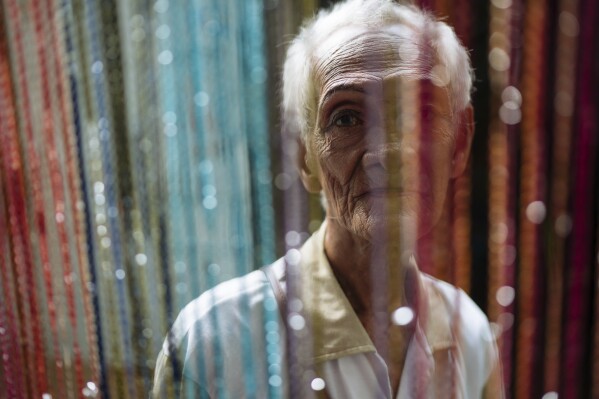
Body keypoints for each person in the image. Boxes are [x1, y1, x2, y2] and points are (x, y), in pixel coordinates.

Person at [152, 0, 504, 397]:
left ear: (459, 144)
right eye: (347, 118)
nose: (389, 152)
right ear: (304, 156)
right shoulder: (214, 344)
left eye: (421, 114)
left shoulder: (469, 334)